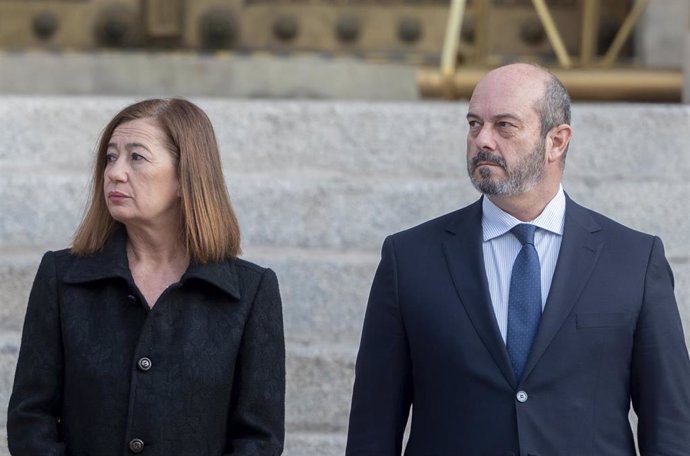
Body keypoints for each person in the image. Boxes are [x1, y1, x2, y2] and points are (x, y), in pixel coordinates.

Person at [345, 63, 690, 455]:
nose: (482, 140)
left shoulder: (634, 260)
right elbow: (372, 430)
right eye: (474, 124)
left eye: (504, 125)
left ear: (556, 141)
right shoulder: (408, 259)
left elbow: (671, 426)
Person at [7, 98, 285, 456]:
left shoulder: (250, 292)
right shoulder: (63, 278)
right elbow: (31, 419)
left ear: (187, 178)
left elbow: (259, 439)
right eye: (110, 156)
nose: (114, 172)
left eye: (136, 157)